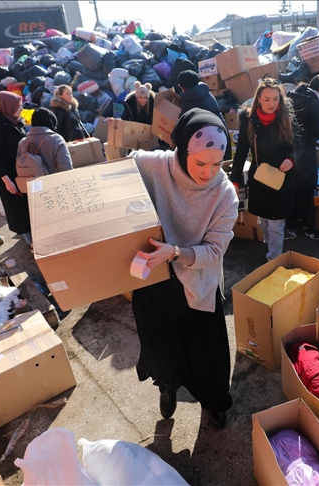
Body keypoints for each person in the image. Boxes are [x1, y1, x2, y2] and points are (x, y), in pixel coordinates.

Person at [128, 108, 238, 429]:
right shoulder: (154, 166)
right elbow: (118, 172)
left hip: (197, 284)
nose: (208, 173)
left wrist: (175, 252)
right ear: (182, 150)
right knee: (161, 346)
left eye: (217, 164)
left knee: (208, 354)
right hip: (153, 280)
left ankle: (214, 401)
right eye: (200, 163)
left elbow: (214, 252)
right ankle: (167, 387)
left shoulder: (224, 194)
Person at [230, 77, 296, 261]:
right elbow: (241, 152)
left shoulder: (286, 117)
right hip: (259, 177)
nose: (271, 104)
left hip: (281, 178)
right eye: (267, 99)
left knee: (276, 223)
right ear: (258, 99)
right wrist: (234, 180)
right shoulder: (248, 120)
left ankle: (274, 259)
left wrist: (291, 159)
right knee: (264, 220)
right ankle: (269, 245)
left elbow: (297, 146)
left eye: (275, 99)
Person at [286, 74, 319, 231]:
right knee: (305, 185)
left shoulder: (293, 96)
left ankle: (290, 219)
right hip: (305, 149)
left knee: (291, 183)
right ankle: (301, 221)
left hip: (289, 148)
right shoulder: (313, 103)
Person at [0, 91, 30, 244]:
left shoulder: (15, 120)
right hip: (8, 174)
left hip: (21, 170)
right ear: (7, 106)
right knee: (19, 210)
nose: (21, 109)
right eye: (18, 106)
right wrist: (7, 181)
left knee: (28, 207)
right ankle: (30, 241)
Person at [17, 107, 73, 175]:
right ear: (52, 122)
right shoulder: (56, 139)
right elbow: (66, 168)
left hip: (31, 181)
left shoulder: (22, 143)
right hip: (54, 180)